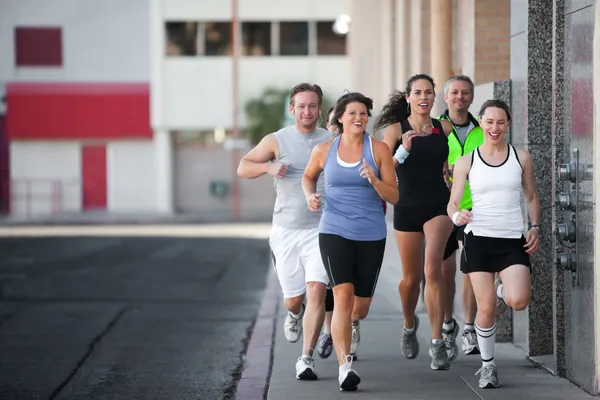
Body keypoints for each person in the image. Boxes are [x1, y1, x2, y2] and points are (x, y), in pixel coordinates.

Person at [303, 92, 398, 391]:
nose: (359, 118)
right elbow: (308, 177)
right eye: (353, 113)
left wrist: (374, 180)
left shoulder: (379, 149)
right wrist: (310, 196)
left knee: (360, 308)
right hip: (333, 229)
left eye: (364, 114)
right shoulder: (324, 150)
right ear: (340, 117)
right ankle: (346, 367)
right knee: (342, 296)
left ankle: (347, 325)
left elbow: (394, 196)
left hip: (371, 234)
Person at [237, 83, 332, 380]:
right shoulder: (276, 140)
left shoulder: (332, 140)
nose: (307, 111)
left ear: (319, 109)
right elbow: (243, 167)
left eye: (312, 106)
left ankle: (306, 358)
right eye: (301, 106)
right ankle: (294, 314)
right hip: (286, 229)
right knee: (295, 299)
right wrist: (268, 167)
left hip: (321, 227)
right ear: (292, 110)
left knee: (317, 288)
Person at [448, 99, 540, 389]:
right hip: (478, 238)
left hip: (512, 239)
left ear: (508, 123)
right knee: (485, 308)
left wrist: (535, 227)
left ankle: (502, 288)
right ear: (481, 122)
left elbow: (532, 197)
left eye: (500, 122)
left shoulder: (521, 157)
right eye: (489, 122)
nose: (494, 128)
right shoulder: (466, 162)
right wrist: (457, 215)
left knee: (518, 300)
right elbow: (452, 201)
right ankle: (488, 367)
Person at [376, 74, 455, 371]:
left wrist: (453, 176)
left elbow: (457, 162)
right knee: (411, 280)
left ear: (435, 97)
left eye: (429, 92)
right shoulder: (395, 130)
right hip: (407, 205)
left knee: (432, 270)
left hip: (439, 205)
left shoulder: (444, 128)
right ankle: (409, 324)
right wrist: (402, 150)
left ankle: (437, 343)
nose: (423, 97)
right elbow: (384, 169)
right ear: (408, 98)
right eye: (418, 92)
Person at [438, 75, 484, 360]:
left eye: (465, 92)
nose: (460, 97)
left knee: (469, 268)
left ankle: (469, 328)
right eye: (454, 92)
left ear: (471, 97)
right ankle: (446, 325)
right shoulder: (435, 129)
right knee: (445, 272)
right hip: (443, 209)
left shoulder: (483, 129)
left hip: (475, 211)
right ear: (446, 98)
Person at [315, 107, 336, 360]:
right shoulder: (320, 148)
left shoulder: (362, 148)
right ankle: (328, 330)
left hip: (353, 222)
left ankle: (343, 328)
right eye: (332, 124)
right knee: (326, 282)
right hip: (319, 221)